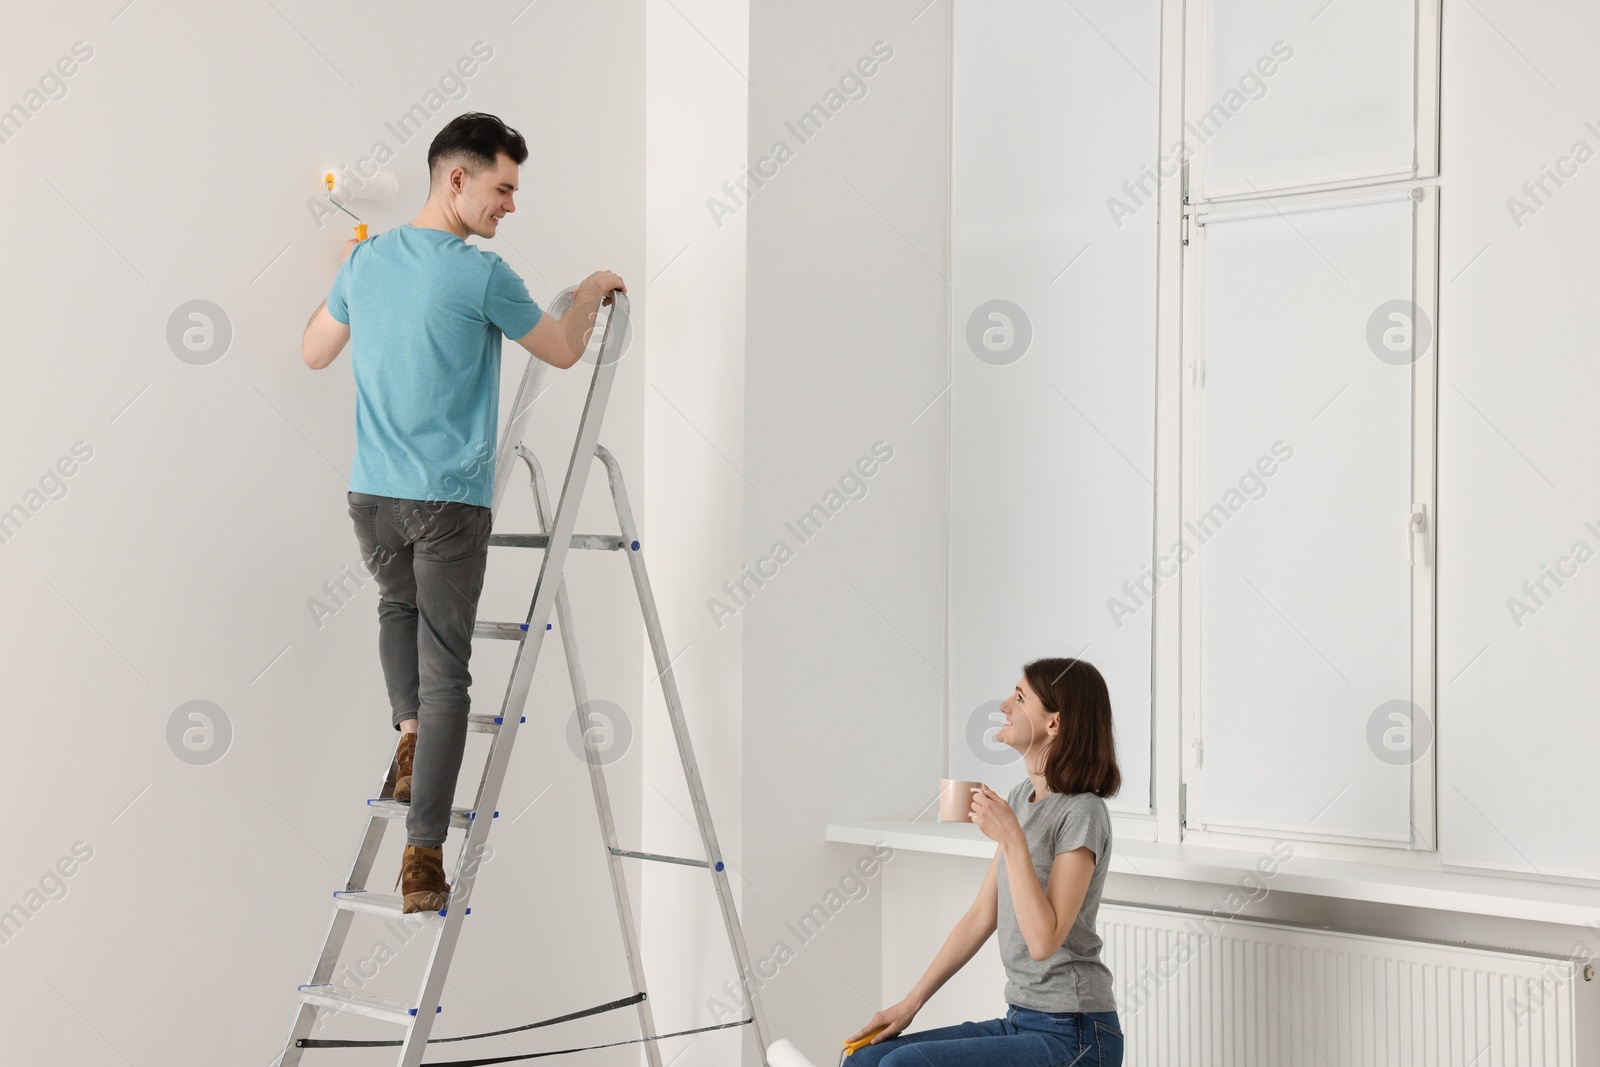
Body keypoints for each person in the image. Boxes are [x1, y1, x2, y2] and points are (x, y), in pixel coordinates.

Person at [299, 111, 626, 913]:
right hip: (447, 502)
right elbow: (561, 349)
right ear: (457, 178)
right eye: (502, 187)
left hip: (371, 498)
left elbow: (312, 349)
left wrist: (350, 274)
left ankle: (407, 741)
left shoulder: (367, 261)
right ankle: (421, 856)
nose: (509, 205)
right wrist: (588, 293)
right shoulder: (482, 274)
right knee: (449, 675)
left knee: (394, 611)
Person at [846, 657, 1124, 1067]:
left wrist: (1013, 839)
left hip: (1077, 1034)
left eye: (1019, 697)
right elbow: (981, 914)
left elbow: (1044, 942)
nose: (1004, 706)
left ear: (1054, 724)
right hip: (1021, 1020)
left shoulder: (1082, 813)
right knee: (867, 1059)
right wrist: (910, 1004)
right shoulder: (1019, 799)